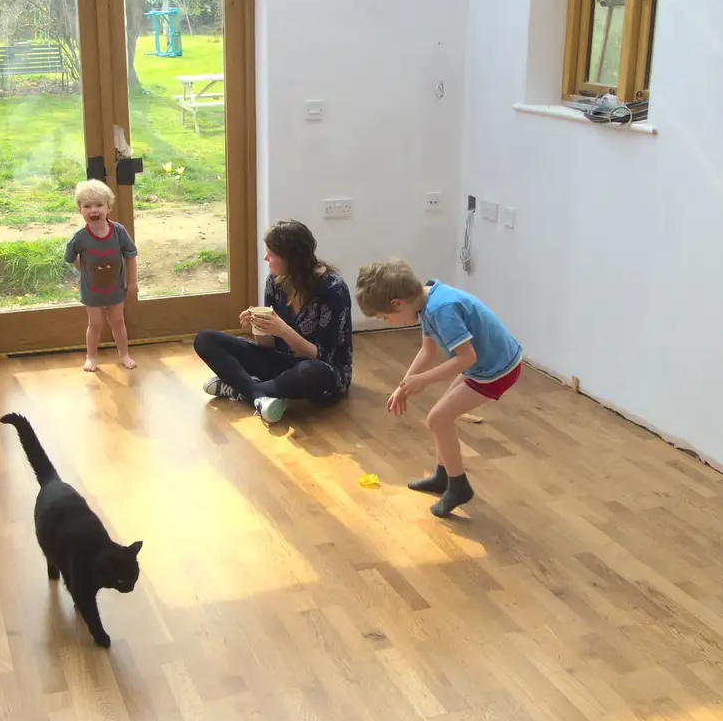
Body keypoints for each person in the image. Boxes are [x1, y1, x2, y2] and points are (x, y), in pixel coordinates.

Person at [354, 259, 522, 517]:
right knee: (440, 418)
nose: (387, 321)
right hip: (485, 364)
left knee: (438, 419)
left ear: (397, 303)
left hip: (496, 369)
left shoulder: (441, 308)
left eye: (384, 316)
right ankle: (443, 477)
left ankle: (458, 486)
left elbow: (467, 358)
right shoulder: (426, 300)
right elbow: (427, 351)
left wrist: (423, 380)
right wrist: (403, 386)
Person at [193, 220, 353, 424]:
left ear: (290, 258)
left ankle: (243, 388)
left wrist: (284, 331)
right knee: (205, 339)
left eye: (271, 254)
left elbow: (323, 356)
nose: (265, 258)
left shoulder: (333, 289)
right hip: (280, 361)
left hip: (324, 371)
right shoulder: (275, 281)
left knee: (311, 371)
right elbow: (269, 348)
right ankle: (261, 394)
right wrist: (260, 328)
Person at [64, 180, 138, 372]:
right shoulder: (79, 237)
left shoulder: (118, 232)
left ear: (108, 207)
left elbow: (131, 255)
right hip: (92, 290)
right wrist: (84, 271)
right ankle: (91, 356)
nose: (93, 210)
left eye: (98, 205)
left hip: (116, 288)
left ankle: (124, 354)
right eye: (87, 206)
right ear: (79, 209)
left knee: (117, 321)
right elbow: (71, 257)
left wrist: (132, 281)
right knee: (95, 323)